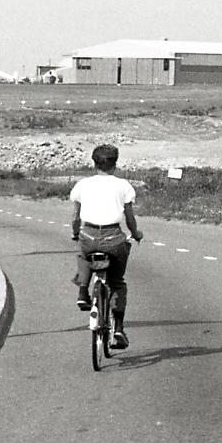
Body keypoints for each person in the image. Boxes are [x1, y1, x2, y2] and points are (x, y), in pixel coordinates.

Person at [70, 143, 144, 350]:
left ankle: (83, 292)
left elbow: (76, 217)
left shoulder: (82, 185)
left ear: (94, 162)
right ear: (115, 163)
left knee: (83, 254)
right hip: (113, 237)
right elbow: (129, 218)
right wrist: (136, 234)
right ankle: (118, 329)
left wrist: (76, 233)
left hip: (89, 234)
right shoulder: (123, 185)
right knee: (117, 282)